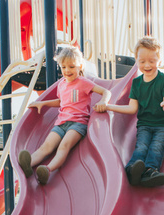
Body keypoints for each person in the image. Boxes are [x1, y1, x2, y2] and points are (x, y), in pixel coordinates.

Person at [18, 46, 111, 185]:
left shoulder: (83, 82)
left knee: (63, 146)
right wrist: (43, 104)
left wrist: (104, 101)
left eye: (72, 67)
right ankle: (28, 165)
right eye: (64, 67)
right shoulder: (61, 84)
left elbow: (106, 92)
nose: (67, 71)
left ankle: (47, 170)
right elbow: (61, 101)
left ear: (79, 66)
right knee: (46, 146)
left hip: (78, 123)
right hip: (61, 123)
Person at [104, 37, 164, 187]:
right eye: (142, 61)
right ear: (136, 61)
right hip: (144, 125)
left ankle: (150, 170)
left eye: (152, 60)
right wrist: (109, 107)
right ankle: (132, 170)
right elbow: (132, 108)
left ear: (159, 60)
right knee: (141, 146)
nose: (147, 65)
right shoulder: (136, 83)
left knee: (156, 145)